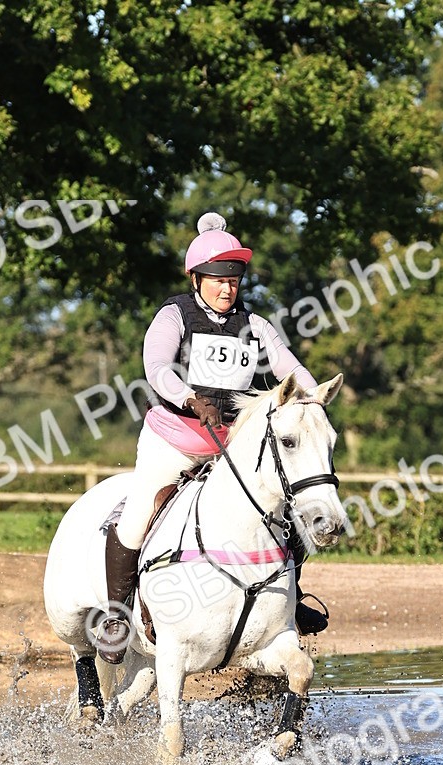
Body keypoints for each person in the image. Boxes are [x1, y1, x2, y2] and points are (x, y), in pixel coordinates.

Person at [96, 211, 330, 663]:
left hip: (230, 447)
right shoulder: (174, 316)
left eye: (235, 279)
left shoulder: (256, 326)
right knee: (139, 512)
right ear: (197, 278)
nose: (228, 288)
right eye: (218, 279)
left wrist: (313, 395)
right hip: (176, 439)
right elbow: (157, 368)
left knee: (288, 513)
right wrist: (188, 398)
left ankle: (289, 599)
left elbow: (288, 366)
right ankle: (115, 616)